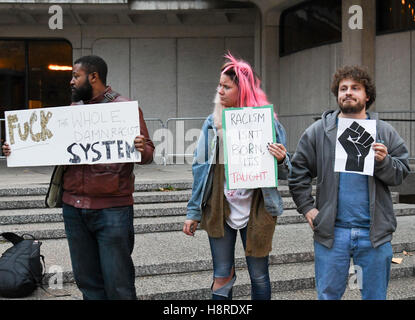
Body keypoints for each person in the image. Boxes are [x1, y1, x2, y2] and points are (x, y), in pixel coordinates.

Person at [2, 55, 155, 300]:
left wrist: (140, 147)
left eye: (76, 76)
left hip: (112, 210)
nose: (71, 82)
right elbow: (47, 144)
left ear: (93, 77)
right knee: (88, 282)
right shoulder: (73, 111)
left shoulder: (124, 108)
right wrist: (16, 149)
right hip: (73, 208)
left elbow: (148, 153)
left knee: (119, 284)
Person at [288, 65, 410, 300]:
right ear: (337, 94)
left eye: (355, 88)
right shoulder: (318, 132)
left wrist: (384, 162)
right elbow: (298, 170)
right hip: (333, 234)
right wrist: (307, 207)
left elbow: (401, 172)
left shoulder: (384, 131)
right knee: (328, 296)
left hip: (374, 235)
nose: (348, 92)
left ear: (367, 95)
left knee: (374, 296)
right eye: (343, 88)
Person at [182, 53, 291, 300]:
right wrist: (193, 212)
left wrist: (282, 159)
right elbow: (200, 169)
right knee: (221, 275)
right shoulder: (212, 122)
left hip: (258, 208)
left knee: (259, 276)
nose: (219, 91)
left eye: (226, 86)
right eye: (219, 85)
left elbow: (285, 173)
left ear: (241, 90)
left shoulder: (267, 123)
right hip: (220, 208)